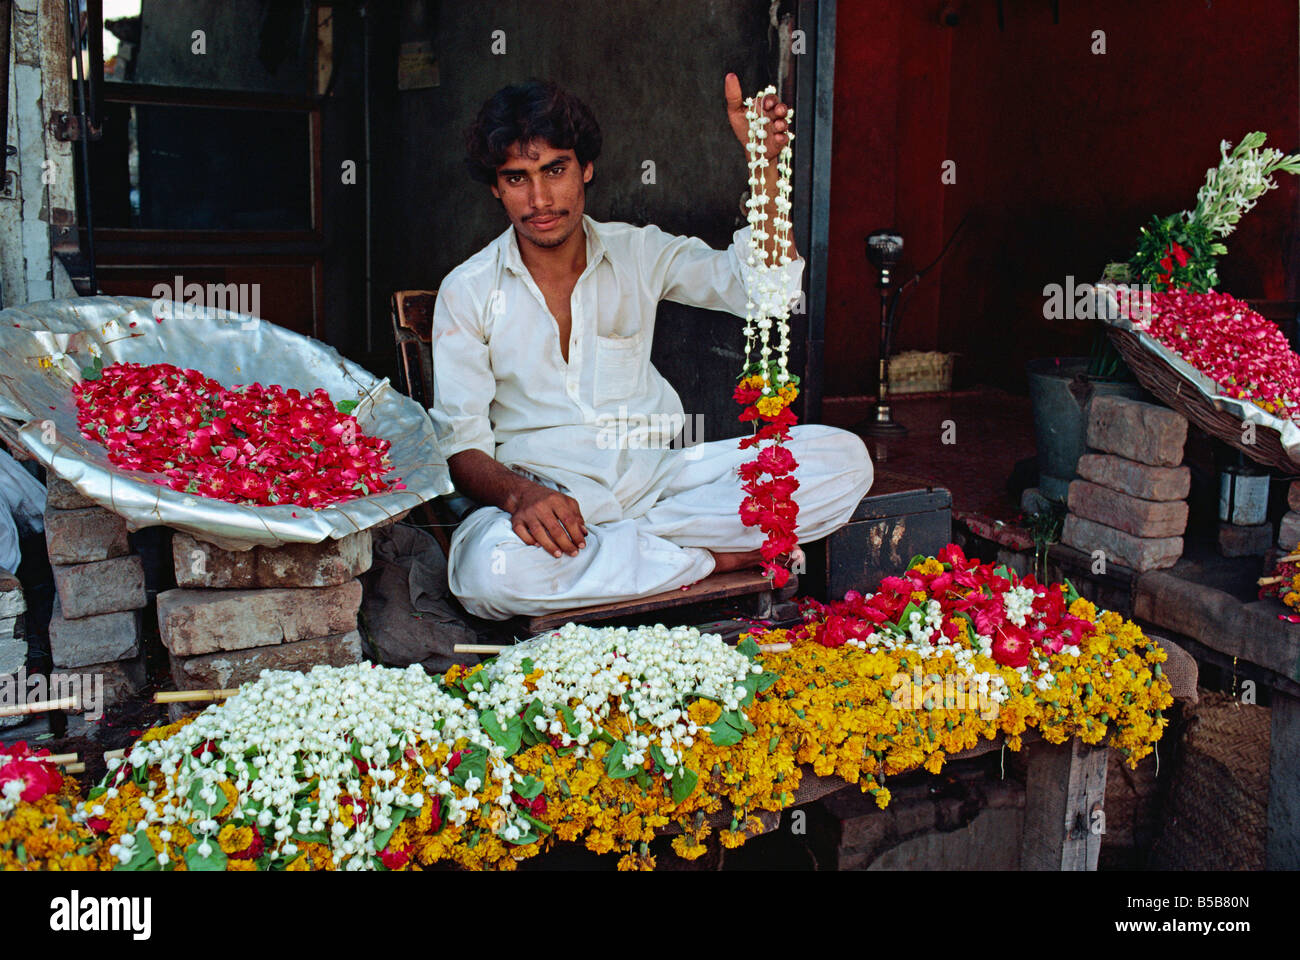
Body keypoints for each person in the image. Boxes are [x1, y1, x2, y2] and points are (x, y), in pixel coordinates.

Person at [429, 75, 873, 621]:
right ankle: (708, 560)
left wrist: (764, 165)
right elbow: (461, 446)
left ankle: (638, 552)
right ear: (496, 187)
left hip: (660, 485)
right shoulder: (468, 289)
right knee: (489, 573)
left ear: (585, 168)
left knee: (844, 459)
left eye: (555, 170)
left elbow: (767, 292)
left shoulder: (638, 251)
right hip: (548, 502)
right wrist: (522, 498)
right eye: (516, 178)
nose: (540, 199)